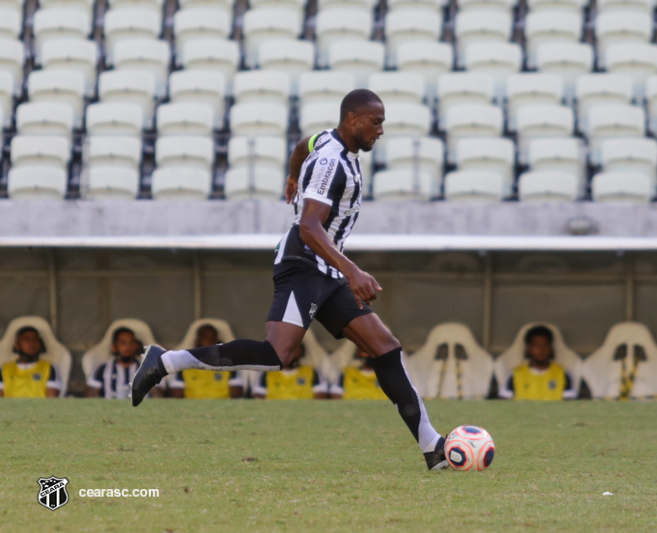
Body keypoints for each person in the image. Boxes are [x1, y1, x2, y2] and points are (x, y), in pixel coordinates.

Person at [131, 89, 450, 470]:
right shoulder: (333, 163)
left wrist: (293, 175)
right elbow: (310, 227)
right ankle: (166, 362)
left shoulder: (327, 141)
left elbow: (302, 145)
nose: (381, 130)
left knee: (385, 347)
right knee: (275, 355)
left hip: (328, 270)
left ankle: (432, 447)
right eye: (375, 121)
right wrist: (354, 270)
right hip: (303, 264)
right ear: (352, 119)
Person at [498, 326, 577, 401]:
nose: (541, 350)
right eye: (536, 345)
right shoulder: (515, 374)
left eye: (545, 345)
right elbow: (502, 404)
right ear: (528, 349)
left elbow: (570, 405)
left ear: (551, 348)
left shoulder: (563, 373)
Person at [85, 327, 163, 399]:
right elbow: (90, 398)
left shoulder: (149, 368)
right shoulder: (102, 369)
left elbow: (159, 397)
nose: (128, 347)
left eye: (131, 342)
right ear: (114, 347)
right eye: (123, 343)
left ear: (136, 346)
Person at [169, 324, 244, 399]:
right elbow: (176, 395)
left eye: (212, 339)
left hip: (222, 406)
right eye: (205, 339)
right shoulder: (183, 362)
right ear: (197, 341)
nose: (209, 343)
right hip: (192, 405)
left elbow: (237, 394)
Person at [0, 326, 60, 398]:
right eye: (27, 340)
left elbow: (52, 398)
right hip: (10, 409)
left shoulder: (49, 368)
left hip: (40, 409)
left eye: (35, 340)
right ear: (17, 345)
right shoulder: (4, 369)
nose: (32, 344)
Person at [252, 344, 329, 399]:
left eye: (294, 349)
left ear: (301, 351)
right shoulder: (266, 373)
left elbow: (321, 398)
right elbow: (258, 398)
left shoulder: (313, 372)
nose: (290, 354)